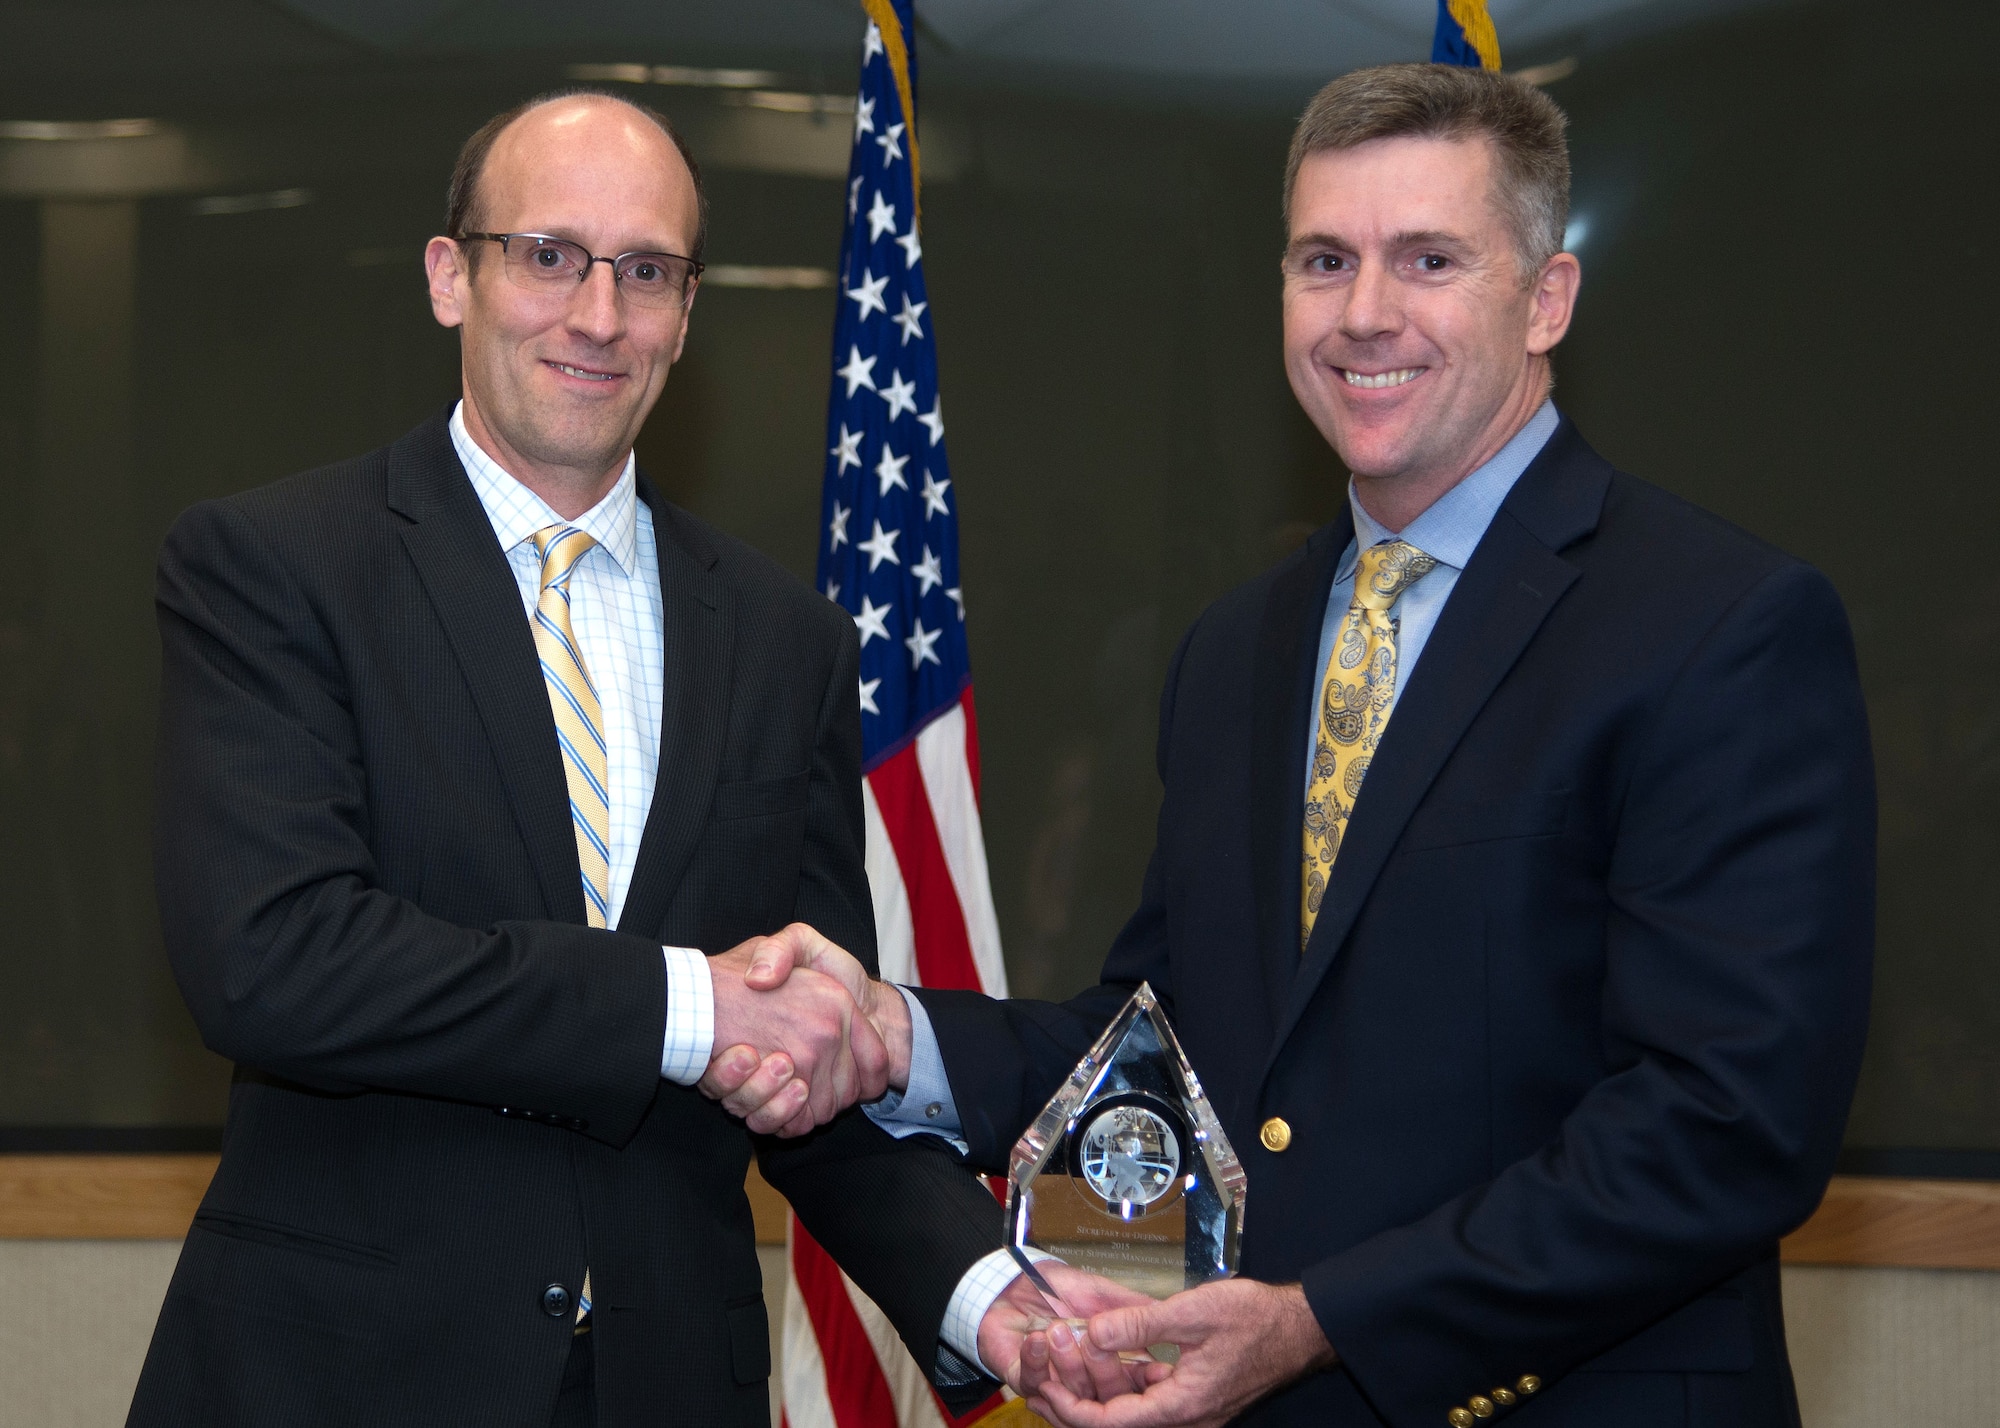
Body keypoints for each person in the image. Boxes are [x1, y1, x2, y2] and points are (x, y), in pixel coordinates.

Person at [714, 62, 1875, 1428]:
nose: (1364, 311)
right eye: (1324, 260)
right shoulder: (1238, 651)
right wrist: (888, 1035)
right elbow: (1168, 1049)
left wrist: (1323, 1324)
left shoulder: (1718, 626)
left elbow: (1725, 1126)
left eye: (1428, 259)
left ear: (1546, 298)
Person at [129, 89, 1051, 1428]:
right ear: (453, 277)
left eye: (648, 272)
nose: (600, 315)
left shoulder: (787, 642)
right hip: (337, 1377)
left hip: (668, 1387)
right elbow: (272, 960)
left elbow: (806, 1057)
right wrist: (690, 1008)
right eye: (550, 256)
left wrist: (991, 1299)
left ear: (687, 312)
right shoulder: (275, 569)